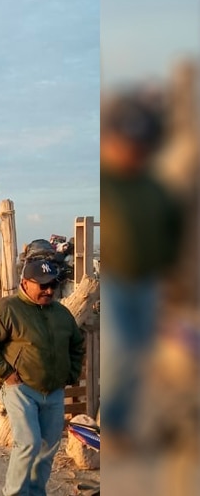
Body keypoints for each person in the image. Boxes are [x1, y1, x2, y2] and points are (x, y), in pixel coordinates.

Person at [99, 91, 183, 451]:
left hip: (149, 281)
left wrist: (173, 273)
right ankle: (113, 423)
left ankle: (122, 425)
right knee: (121, 351)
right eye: (125, 142)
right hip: (115, 280)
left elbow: (174, 228)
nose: (131, 151)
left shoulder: (153, 186)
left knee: (142, 351)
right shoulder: (106, 182)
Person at [0, 258, 86, 496]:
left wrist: (71, 373)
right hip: (20, 388)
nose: (49, 290)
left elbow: (76, 344)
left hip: (53, 391)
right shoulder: (6, 309)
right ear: (25, 283)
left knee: (47, 447)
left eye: (53, 284)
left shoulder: (61, 314)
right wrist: (5, 373)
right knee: (28, 443)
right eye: (43, 285)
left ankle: (35, 492)